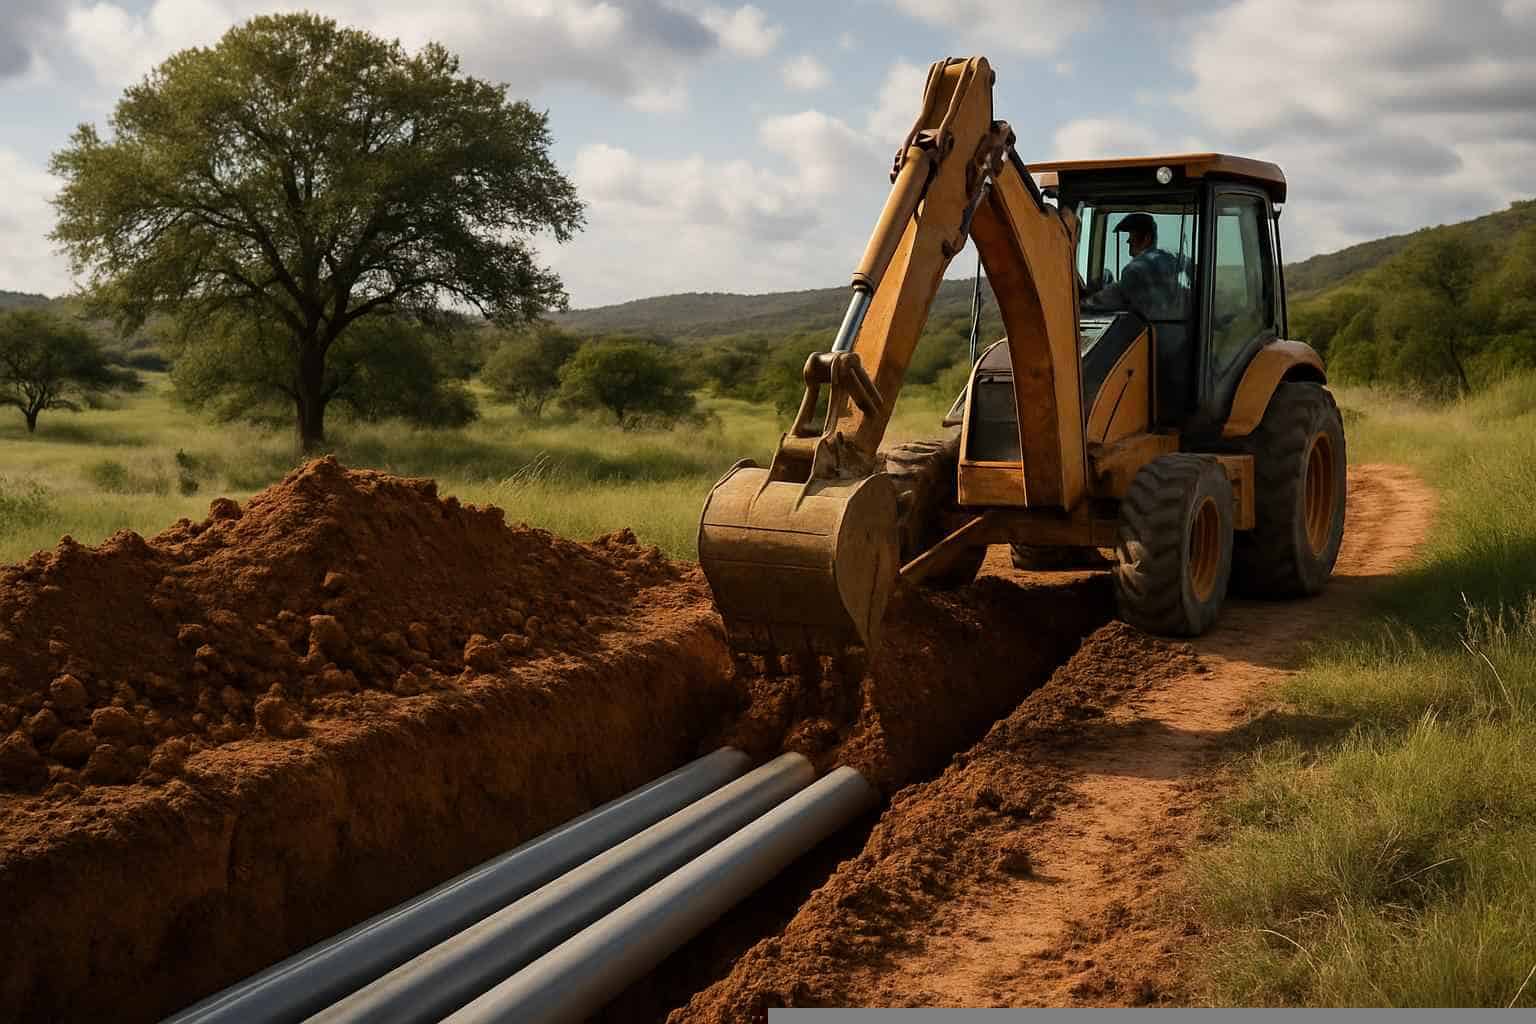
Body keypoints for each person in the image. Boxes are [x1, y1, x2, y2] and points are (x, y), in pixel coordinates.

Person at [1087, 212, 1180, 317]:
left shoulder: (1135, 271)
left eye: (1132, 235)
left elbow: (1106, 299)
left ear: (1147, 238)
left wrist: (1082, 302)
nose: (1128, 241)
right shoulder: (1170, 266)